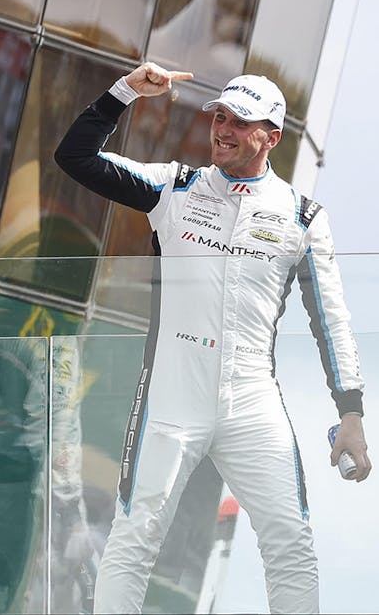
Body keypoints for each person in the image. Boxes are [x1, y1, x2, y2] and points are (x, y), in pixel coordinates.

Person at [55, 64, 370, 613]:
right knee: (134, 538)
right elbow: (76, 158)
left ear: (270, 137)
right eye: (218, 116)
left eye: (239, 121)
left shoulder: (302, 217)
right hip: (173, 395)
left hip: (251, 399)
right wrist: (125, 91)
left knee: (291, 544)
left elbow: (332, 318)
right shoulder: (174, 187)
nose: (222, 129)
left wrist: (351, 410)